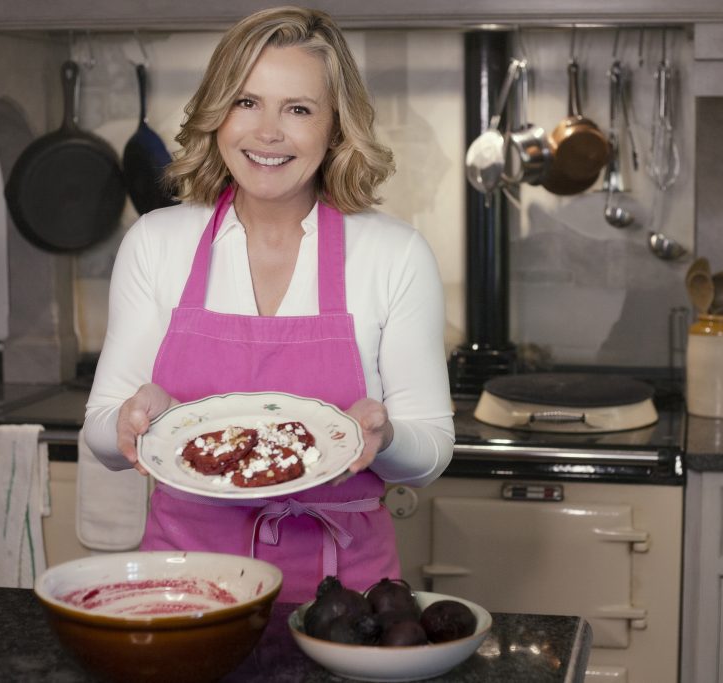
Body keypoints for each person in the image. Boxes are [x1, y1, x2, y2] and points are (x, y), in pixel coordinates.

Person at [83, 6, 454, 603]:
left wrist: (385, 437)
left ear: (335, 128)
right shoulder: (157, 242)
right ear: (217, 113)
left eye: (299, 109)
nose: (267, 132)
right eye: (246, 102)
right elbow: (103, 439)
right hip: (187, 584)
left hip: (345, 595)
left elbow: (431, 451)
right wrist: (135, 415)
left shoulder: (395, 253)